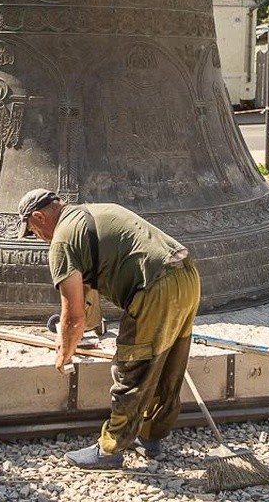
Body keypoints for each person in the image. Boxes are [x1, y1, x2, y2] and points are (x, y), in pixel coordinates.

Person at [17, 188, 200, 470]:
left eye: (32, 231)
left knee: (132, 368)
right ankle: (150, 437)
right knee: (167, 365)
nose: (37, 238)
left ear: (39, 217)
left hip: (154, 289)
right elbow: (87, 297)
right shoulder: (93, 213)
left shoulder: (62, 243)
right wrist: (78, 331)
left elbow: (73, 315)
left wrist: (64, 352)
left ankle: (109, 449)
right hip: (186, 274)